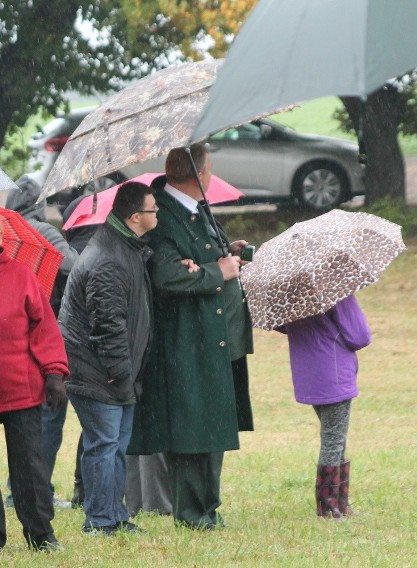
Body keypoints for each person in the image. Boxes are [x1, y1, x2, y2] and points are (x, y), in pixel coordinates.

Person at [128, 142, 254, 531]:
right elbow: (166, 276)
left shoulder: (196, 209)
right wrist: (217, 272)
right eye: (209, 169)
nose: (212, 176)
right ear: (199, 174)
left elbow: (200, 259)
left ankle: (208, 507)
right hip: (187, 341)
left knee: (216, 423)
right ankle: (193, 512)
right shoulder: (163, 217)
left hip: (218, 338)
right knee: (191, 429)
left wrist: (226, 253)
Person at [0, 209, 68, 553]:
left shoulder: (23, 276)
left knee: (30, 468)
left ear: (0, 240)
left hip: (21, 389)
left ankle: (41, 534)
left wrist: (54, 372)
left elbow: (45, 328)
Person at [59, 182, 156, 535]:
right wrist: (120, 372)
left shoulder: (124, 247)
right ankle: (100, 520)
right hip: (98, 371)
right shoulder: (108, 259)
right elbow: (107, 325)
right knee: (103, 446)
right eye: (153, 210)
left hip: (115, 371)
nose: (156, 215)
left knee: (115, 447)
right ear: (135, 217)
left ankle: (115, 514)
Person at [5, 175, 80, 509]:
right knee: (48, 415)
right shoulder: (41, 230)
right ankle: (38, 489)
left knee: (21, 416)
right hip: (43, 328)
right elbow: (73, 267)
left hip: (10, 333)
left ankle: (14, 487)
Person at [279, 294, 371, 519]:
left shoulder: (290, 293)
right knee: (333, 440)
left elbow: (283, 326)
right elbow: (359, 336)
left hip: (308, 372)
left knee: (335, 438)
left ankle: (340, 503)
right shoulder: (335, 292)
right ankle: (329, 508)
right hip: (334, 370)